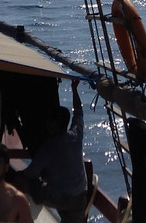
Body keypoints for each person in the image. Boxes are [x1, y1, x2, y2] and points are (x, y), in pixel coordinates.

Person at [15, 79, 87, 223]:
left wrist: (13, 176)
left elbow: (30, 173)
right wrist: (74, 90)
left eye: (49, 120)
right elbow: (78, 112)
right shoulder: (76, 135)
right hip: (81, 196)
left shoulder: (48, 148)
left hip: (60, 198)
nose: (46, 123)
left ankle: (16, 214)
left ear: (55, 123)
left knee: (22, 180)